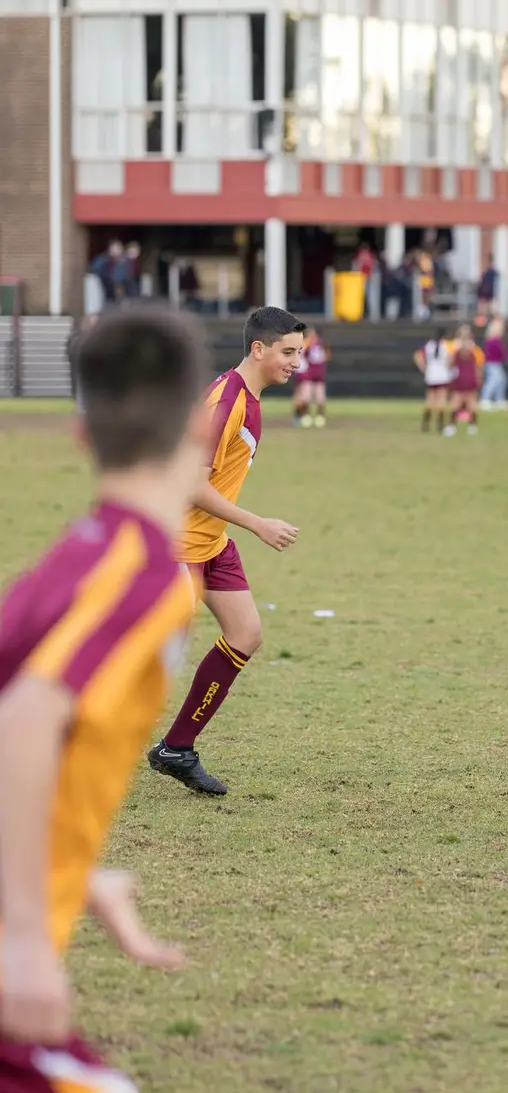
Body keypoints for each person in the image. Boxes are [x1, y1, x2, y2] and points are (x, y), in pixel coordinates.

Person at [0, 309, 210, 1088]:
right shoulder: (145, 578)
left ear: (81, 433)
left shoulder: (70, 560)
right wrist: (24, 936)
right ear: (199, 424)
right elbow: (22, 721)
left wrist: (78, 881)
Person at [146, 306, 305, 797]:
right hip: (177, 549)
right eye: (288, 352)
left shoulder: (250, 396)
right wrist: (258, 523)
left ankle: (177, 748)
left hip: (211, 543)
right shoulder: (227, 401)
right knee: (142, 664)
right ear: (258, 349)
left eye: (299, 352)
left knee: (246, 633)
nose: (296, 363)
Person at [414, 329, 456, 434]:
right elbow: (451, 359)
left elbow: (417, 356)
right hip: (442, 375)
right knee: (442, 400)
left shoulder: (429, 346)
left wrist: (424, 368)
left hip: (431, 375)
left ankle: (426, 424)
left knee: (430, 400)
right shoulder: (446, 346)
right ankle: (440, 425)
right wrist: (448, 367)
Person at [446, 327, 484, 436]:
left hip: (468, 378)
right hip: (461, 379)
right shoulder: (455, 348)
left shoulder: (474, 349)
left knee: (469, 403)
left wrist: (478, 377)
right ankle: (455, 426)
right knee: (458, 403)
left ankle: (469, 426)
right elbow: (450, 363)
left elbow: (479, 365)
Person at [293, 326, 328, 429]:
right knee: (302, 397)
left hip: (315, 374)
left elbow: (325, 356)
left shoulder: (320, 345)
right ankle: (302, 416)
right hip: (304, 373)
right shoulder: (305, 344)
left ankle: (318, 417)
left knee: (319, 397)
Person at [480, 317, 508, 411]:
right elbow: (500, 352)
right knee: (492, 382)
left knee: (501, 381)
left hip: (496, 363)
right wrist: (507, 357)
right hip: (492, 364)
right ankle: (485, 399)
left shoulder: (495, 340)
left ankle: (499, 399)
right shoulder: (493, 341)